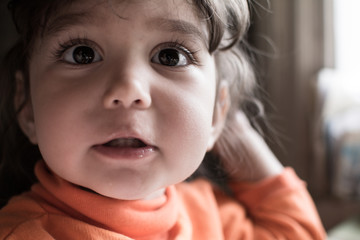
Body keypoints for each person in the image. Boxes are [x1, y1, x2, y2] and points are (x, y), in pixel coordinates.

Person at [0, 0, 326, 239]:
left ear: (217, 112)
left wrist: (234, 130)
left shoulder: (211, 217)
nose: (129, 89)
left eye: (171, 56)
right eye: (82, 53)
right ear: (27, 105)